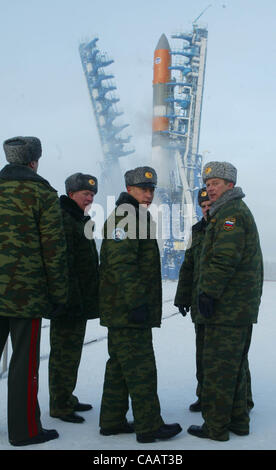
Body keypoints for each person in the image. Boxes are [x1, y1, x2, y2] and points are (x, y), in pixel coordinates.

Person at [99, 166, 182, 443]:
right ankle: (149, 426)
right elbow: (122, 264)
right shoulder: (126, 216)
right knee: (141, 366)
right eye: (143, 188)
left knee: (120, 366)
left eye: (152, 189)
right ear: (129, 188)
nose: (149, 193)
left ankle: (111, 420)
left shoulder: (135, 215)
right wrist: (136, 303)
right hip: (127, 310)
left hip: (120, 308)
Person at [0, 136, 68, 446]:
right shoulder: (42, 193)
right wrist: (59, 294)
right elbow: (53, 249)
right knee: (24, 365)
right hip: (26, 296)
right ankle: (25, 430)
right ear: (33, 161)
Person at [187, 161, 263, 441]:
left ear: (230, 185)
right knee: (235, 367)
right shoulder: (228, 212)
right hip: (236, 308)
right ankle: (239, 421)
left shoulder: (231, 214)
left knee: (219, 369)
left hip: (228, 309)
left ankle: (216, 427)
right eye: (208, 185)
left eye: (215, 184)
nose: (210, 189)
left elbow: (223, 259)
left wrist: (208, 292)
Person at [49, 173, 99, 423]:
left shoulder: (80, 219)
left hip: (79, 300)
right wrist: (64, 298)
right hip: (68, 300)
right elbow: (62, 263)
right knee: (63, 353)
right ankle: (59, 404)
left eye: (92, 195)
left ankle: (66, 396)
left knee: (72, 352)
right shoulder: (64, 218)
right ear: (71, 194)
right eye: (85, 194)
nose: (89, 198)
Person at [174, 188, 211, 412]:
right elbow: (188, 266)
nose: (207, 209)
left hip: (221, 306)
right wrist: (182, 297)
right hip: (200, 305)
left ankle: (241, 399)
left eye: (210, 205)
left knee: (227, 356)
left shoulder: (225, 228)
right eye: (203, 206)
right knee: (202, 353)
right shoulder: (197, 230)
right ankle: (204, 395)